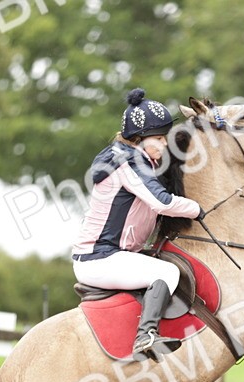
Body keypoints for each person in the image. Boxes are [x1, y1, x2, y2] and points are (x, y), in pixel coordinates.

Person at [72, 88, 204, 357]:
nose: (164, 144)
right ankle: (145, 337)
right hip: (100, 258)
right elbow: (163, 203)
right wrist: (198, 209)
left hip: (107, 255)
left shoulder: (130, 157)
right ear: (139, 139)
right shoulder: (129, 161)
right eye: (158, 138)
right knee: (167, 273)